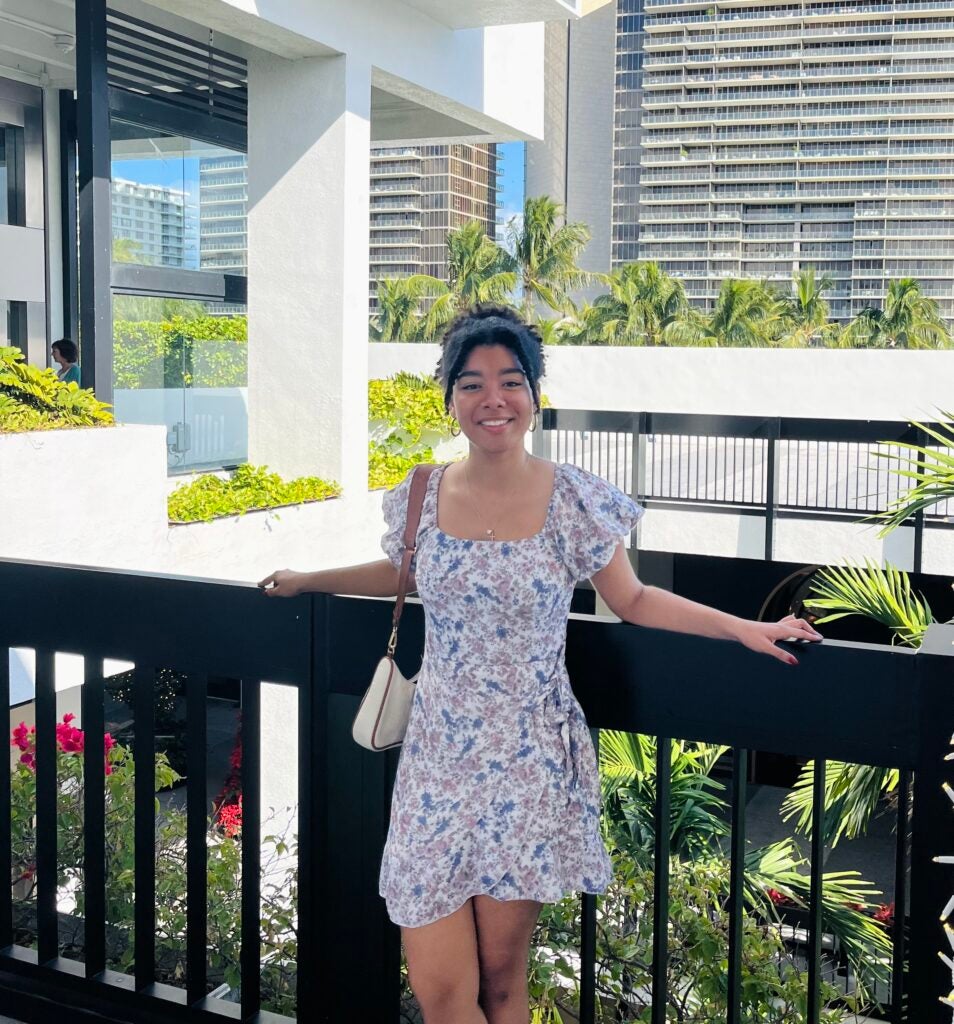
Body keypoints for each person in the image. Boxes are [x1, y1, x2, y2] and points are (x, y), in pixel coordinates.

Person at [258, 305, 822, 1024]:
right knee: (439, 991)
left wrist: (743, 626)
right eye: (471, 383)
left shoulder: (570, 498)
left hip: (527, 766)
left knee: (500, 981)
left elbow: (635, 599)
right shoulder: (423, 494)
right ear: (451, 399)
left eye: (510, 380)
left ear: (533, 394)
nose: (492, 398)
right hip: (436, 762)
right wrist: (311, 578)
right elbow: (403, 573)